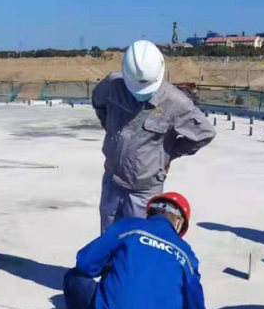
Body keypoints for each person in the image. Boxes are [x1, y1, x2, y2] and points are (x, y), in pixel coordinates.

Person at [63, 192, 206, 309]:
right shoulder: (186, 253)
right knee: (162, 288)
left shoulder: (128, 228)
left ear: (150, 213)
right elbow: (194, 297)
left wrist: (108, 269)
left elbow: (85, 264)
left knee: (75, 279)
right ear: (179, 222)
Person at [92, 40, 215, 233]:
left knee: (139, 239)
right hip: (112, 183)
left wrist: (169, 153)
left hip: (144, 191)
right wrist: (111, 129)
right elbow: (98, 102)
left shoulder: (175, 102)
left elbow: (204, 133)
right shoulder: (112, 85)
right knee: (108, 238)